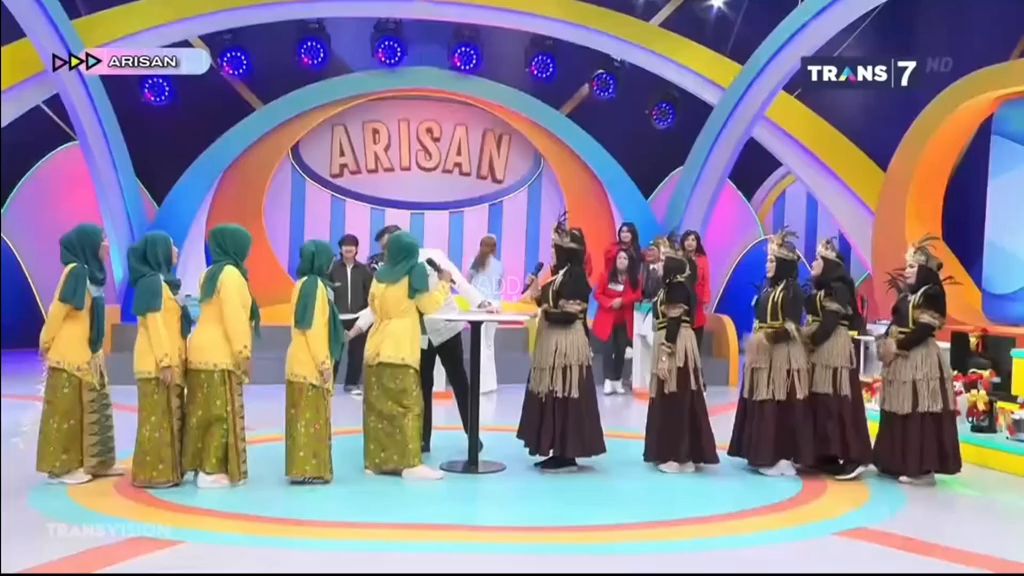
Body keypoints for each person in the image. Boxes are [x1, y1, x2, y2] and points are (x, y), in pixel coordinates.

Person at [348, 225, 495, 454]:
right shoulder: (391, 270)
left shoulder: (432, 257)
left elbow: (457, 281)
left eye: (388, 246)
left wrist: (481, 302)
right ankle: (422, 439)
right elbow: (379, 305)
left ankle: (473, 435)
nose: (386, 252)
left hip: (446, 328)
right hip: (419, 335)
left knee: (459, 382)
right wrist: (355, 328)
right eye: (384, 248)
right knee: (422, 387)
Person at [518, 212, 606, 472]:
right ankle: (558, 450)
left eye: (554, 246)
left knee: (565, 393)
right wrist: (536, 292)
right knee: (554, 395)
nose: (551, 251)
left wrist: (545, 312)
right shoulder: (560, 275)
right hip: (553, 345)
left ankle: (567, 454)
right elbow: (550, 303)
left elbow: (569, 315)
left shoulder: (575, 277)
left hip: (566, 346)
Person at [362, 231, 452, 480]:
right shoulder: (416, 271)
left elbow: (372, 305)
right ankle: (410, 464)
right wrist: (444, 285)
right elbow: (429, 305)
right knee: (409, 407)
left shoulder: (379, 275)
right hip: (401, 348)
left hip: (375, 347)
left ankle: (376, 462)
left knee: (378, 409)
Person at [873, 235, 962, 486]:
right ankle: (894, 462)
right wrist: (884, 343)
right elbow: (895, 322)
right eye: (907, 265)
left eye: (912, 266)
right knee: (897, 408)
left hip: (920, 359)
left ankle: (922, 469)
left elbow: (925, 328)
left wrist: (897, 346)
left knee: (917, 410)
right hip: (900, 362)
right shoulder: (906, 296)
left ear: (924, 270)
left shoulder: (932, 294)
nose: (907, 270)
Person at [36, 224, 121, 484]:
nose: (107, 245)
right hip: (70, 357)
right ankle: (62, 468)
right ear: (90, 244)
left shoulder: (93, 276)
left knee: (95, 412)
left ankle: (96, 463)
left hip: (89, 357)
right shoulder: (76, 273)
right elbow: (57, 311)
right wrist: (45, 342)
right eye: (103, 239)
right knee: (67, 413)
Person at [727, 228, 814, 476]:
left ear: (784, 264)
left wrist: (766, 338)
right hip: (763, 354)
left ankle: (780, 456)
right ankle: (761, 453)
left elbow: (792, 326)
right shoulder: (767, 290)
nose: (767, 265)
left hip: (782, 355)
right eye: (768, 260)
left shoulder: (792, 291)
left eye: (772, 261)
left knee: (780, 404)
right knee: (761, 402)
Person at [182, 224, 260, 489]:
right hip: (221, 353)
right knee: (220, 414)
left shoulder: (209, 273)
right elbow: (234, 317)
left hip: (199, 351)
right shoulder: (231, 275)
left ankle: (199, 465)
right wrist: (243, 353)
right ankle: (212, 469)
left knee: (201, 413)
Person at [644, 235, 719, 473]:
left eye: (663, 260)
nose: (660, 263)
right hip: (674, 341)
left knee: (675, 395)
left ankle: (676, 456)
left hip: (676, 345)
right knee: (679, 395)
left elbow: (674, 321)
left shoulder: (677, 287)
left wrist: (665, 354)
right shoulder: (671, 286)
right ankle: (682, 456)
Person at [803, 238, 872, 481]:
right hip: (818, 351)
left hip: (833, 350)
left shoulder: (839, 289)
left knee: (839, 402)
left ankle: (856, 456)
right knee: (822, 402)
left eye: (817, 259)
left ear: (830, 264)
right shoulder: (820, 290)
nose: (813, 262)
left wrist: (807, 340)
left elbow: (830, 323)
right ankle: (825, 455)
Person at [129, 232, 192, 488]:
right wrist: (165, 362)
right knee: (157, 421)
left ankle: (165, 472)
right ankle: (154, 474)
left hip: (165, 364)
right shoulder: (152, 282)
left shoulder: (162, 284)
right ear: (159, 252)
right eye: (171, 246)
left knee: (165, 419)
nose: (176, 250)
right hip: (155, 367)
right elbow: (155, 324)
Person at [286, 240, 346, 484]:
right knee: (311, 418)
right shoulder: (314, 286)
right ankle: (308, 470)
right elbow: (313, 328)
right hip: (309, 364)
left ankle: (303, 469)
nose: (331, 264)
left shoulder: (303, 283)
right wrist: (324, 365)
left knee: (303, 418)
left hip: (299, 361)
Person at [593, 248, 642, 395]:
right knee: (608, 350)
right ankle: (608, 380)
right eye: (619, 258)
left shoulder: (634, 279)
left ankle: (617, 379)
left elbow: (638, 295)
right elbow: (598, 294)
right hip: (607, 319)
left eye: (625, 258)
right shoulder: (606, 276)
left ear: (629, 262)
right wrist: (610, 303)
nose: (621, 261)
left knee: (621, 350)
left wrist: (623, 301)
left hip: (624, 321)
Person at [329, 234, 372, 395]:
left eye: (352, 245)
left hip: (358, 317)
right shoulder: (332, 269)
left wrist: (366, 315)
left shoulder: (364, 270)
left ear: (356, 249)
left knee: (357, 353)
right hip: (337, 318)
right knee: (334, 353)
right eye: (345, 245)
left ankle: (351, 384)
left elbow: (370, 294)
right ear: (340, 249)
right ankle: (329, 384)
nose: (348, 248)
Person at [467, 234, 504, 395]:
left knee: (480, 344)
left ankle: (479, 383)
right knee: (489, 344)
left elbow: (468, 284)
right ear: (495, 248)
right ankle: (490, 384)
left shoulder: (474, 263)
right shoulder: (499, 265)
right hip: (494, 306)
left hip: (479, 306)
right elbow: (498, 286)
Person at [632, 238, 666, 395]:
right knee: (645, 340)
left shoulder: (664, 269)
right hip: (643, 309)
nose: (650, 253)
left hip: (659, 309)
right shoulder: (641, 268)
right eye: (648, 250)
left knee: (655, 340)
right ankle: (643, 379)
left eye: (653, 250)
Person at [681, 230, 712, 351]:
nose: (690, 242)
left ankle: (695, 359)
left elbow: (706, 280)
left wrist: (706, 300)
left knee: (697, 329)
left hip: (698, 302)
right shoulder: (679, 258)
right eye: (687, 240)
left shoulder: (703, 259)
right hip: (682, 300)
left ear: (697, 243)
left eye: (693, 240)